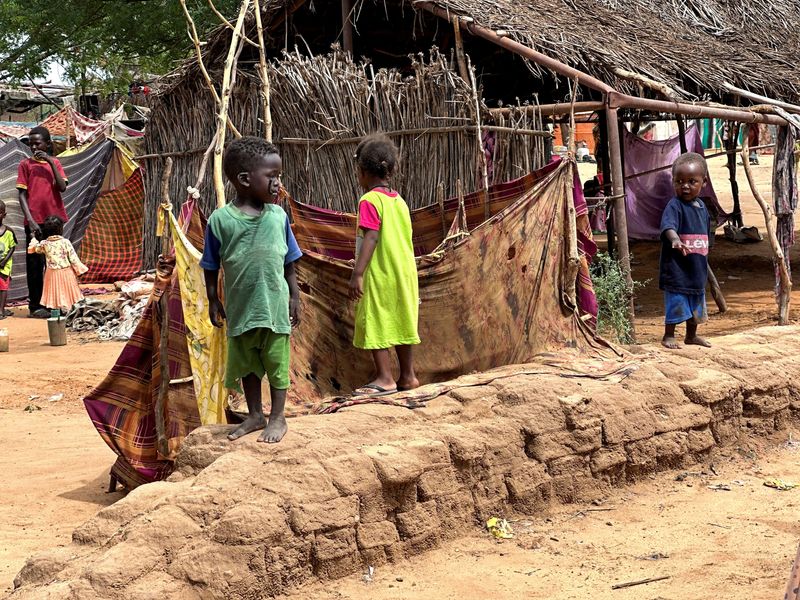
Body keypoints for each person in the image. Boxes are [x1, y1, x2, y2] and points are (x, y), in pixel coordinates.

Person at [200, 137, 301, 444]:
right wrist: (213, 300)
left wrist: (295, 296)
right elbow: (210, 264)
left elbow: (290, 261)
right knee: (247, 364)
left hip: (274, 307)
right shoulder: (220, 221)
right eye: (271, 176)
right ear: (244, 179)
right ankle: (255, 414)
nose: (277, 183)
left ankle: (278, 417)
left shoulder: (279, 217)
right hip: (242, 309)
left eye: (278, 176)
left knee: (276, 361)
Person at [348, 134, 420, 396]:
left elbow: (372, 235)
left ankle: (385, 378)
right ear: (391, 170)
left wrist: (358, 272)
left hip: (380, 272)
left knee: (375, 318)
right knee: (402, 319)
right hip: (404, 272)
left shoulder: (369, 201)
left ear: (363, 172)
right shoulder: (399, 201)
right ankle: (409, 376)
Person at [659, 152, 712, 350]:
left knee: (697, 302)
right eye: (679, 181)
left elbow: (706, 232)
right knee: (677, 301)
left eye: (692, 181)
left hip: (697, 267)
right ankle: (668, 335)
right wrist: (675, 240)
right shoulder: (675, 205)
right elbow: (668, 226)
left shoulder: (702, 207)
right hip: (677, 269)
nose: (685, 186)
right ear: (673, 182)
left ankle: (691, 336)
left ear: (703, 182)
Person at [17, 126, 68, 318]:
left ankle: (56, 302)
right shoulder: (25, 165)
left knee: (57, 263)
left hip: (54, 221)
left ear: (47, 144)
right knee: (35, 265)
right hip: (34, 222)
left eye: (37, 143)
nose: (34, 147)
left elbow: (62, 187)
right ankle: (36, 305)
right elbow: (22, 195)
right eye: (31, 144)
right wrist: (30, 220)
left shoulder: (55, 163)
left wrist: (50, 162)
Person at [26, 215, 87, 317]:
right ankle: (69, 312)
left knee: (54, 293)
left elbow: (34, 249)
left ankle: (56, 313)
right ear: (61, 229)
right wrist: (79, 270)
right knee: (67, 292)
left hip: (51, 274)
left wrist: (33, 238)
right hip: (66, 273)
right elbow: (73, 258)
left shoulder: (44, 244)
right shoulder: (65, 242)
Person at [0, 200, 17, 319]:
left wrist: (4, 261)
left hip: (4, 266)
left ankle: (1, 311)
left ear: (4, 215)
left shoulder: (9, 232)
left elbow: (12, 247)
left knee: (3, 288)